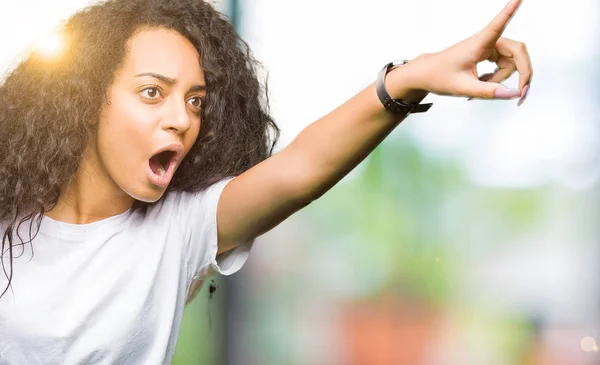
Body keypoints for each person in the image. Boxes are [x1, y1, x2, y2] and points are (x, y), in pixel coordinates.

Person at [0, 0, 532, 363]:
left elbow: (301, 170)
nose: (181, 119)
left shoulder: (181, 228)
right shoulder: (9, 220)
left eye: (195, 101)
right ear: (87, 101)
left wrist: (411, 77)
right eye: (151, 92)